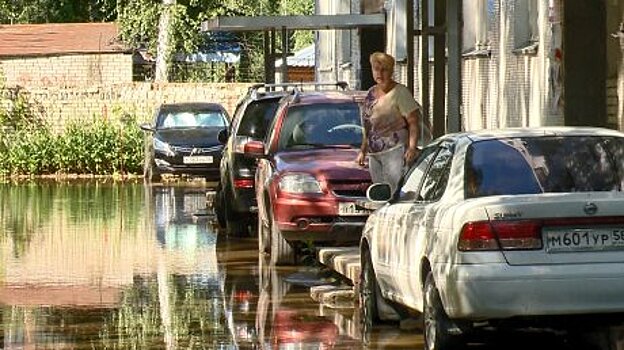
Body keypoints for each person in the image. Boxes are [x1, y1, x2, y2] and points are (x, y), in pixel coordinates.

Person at [356, 52, 431, 193]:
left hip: (395, 152)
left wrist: (412, 148)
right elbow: (368, 126)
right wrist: (363, 151)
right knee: (381, 194)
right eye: (376, 69)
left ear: (391, 71)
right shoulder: (371, 93)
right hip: (374, 154)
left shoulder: (400, 92)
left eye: (384, 69)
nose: (380, 73)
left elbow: (413, 122)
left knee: (396, 192)